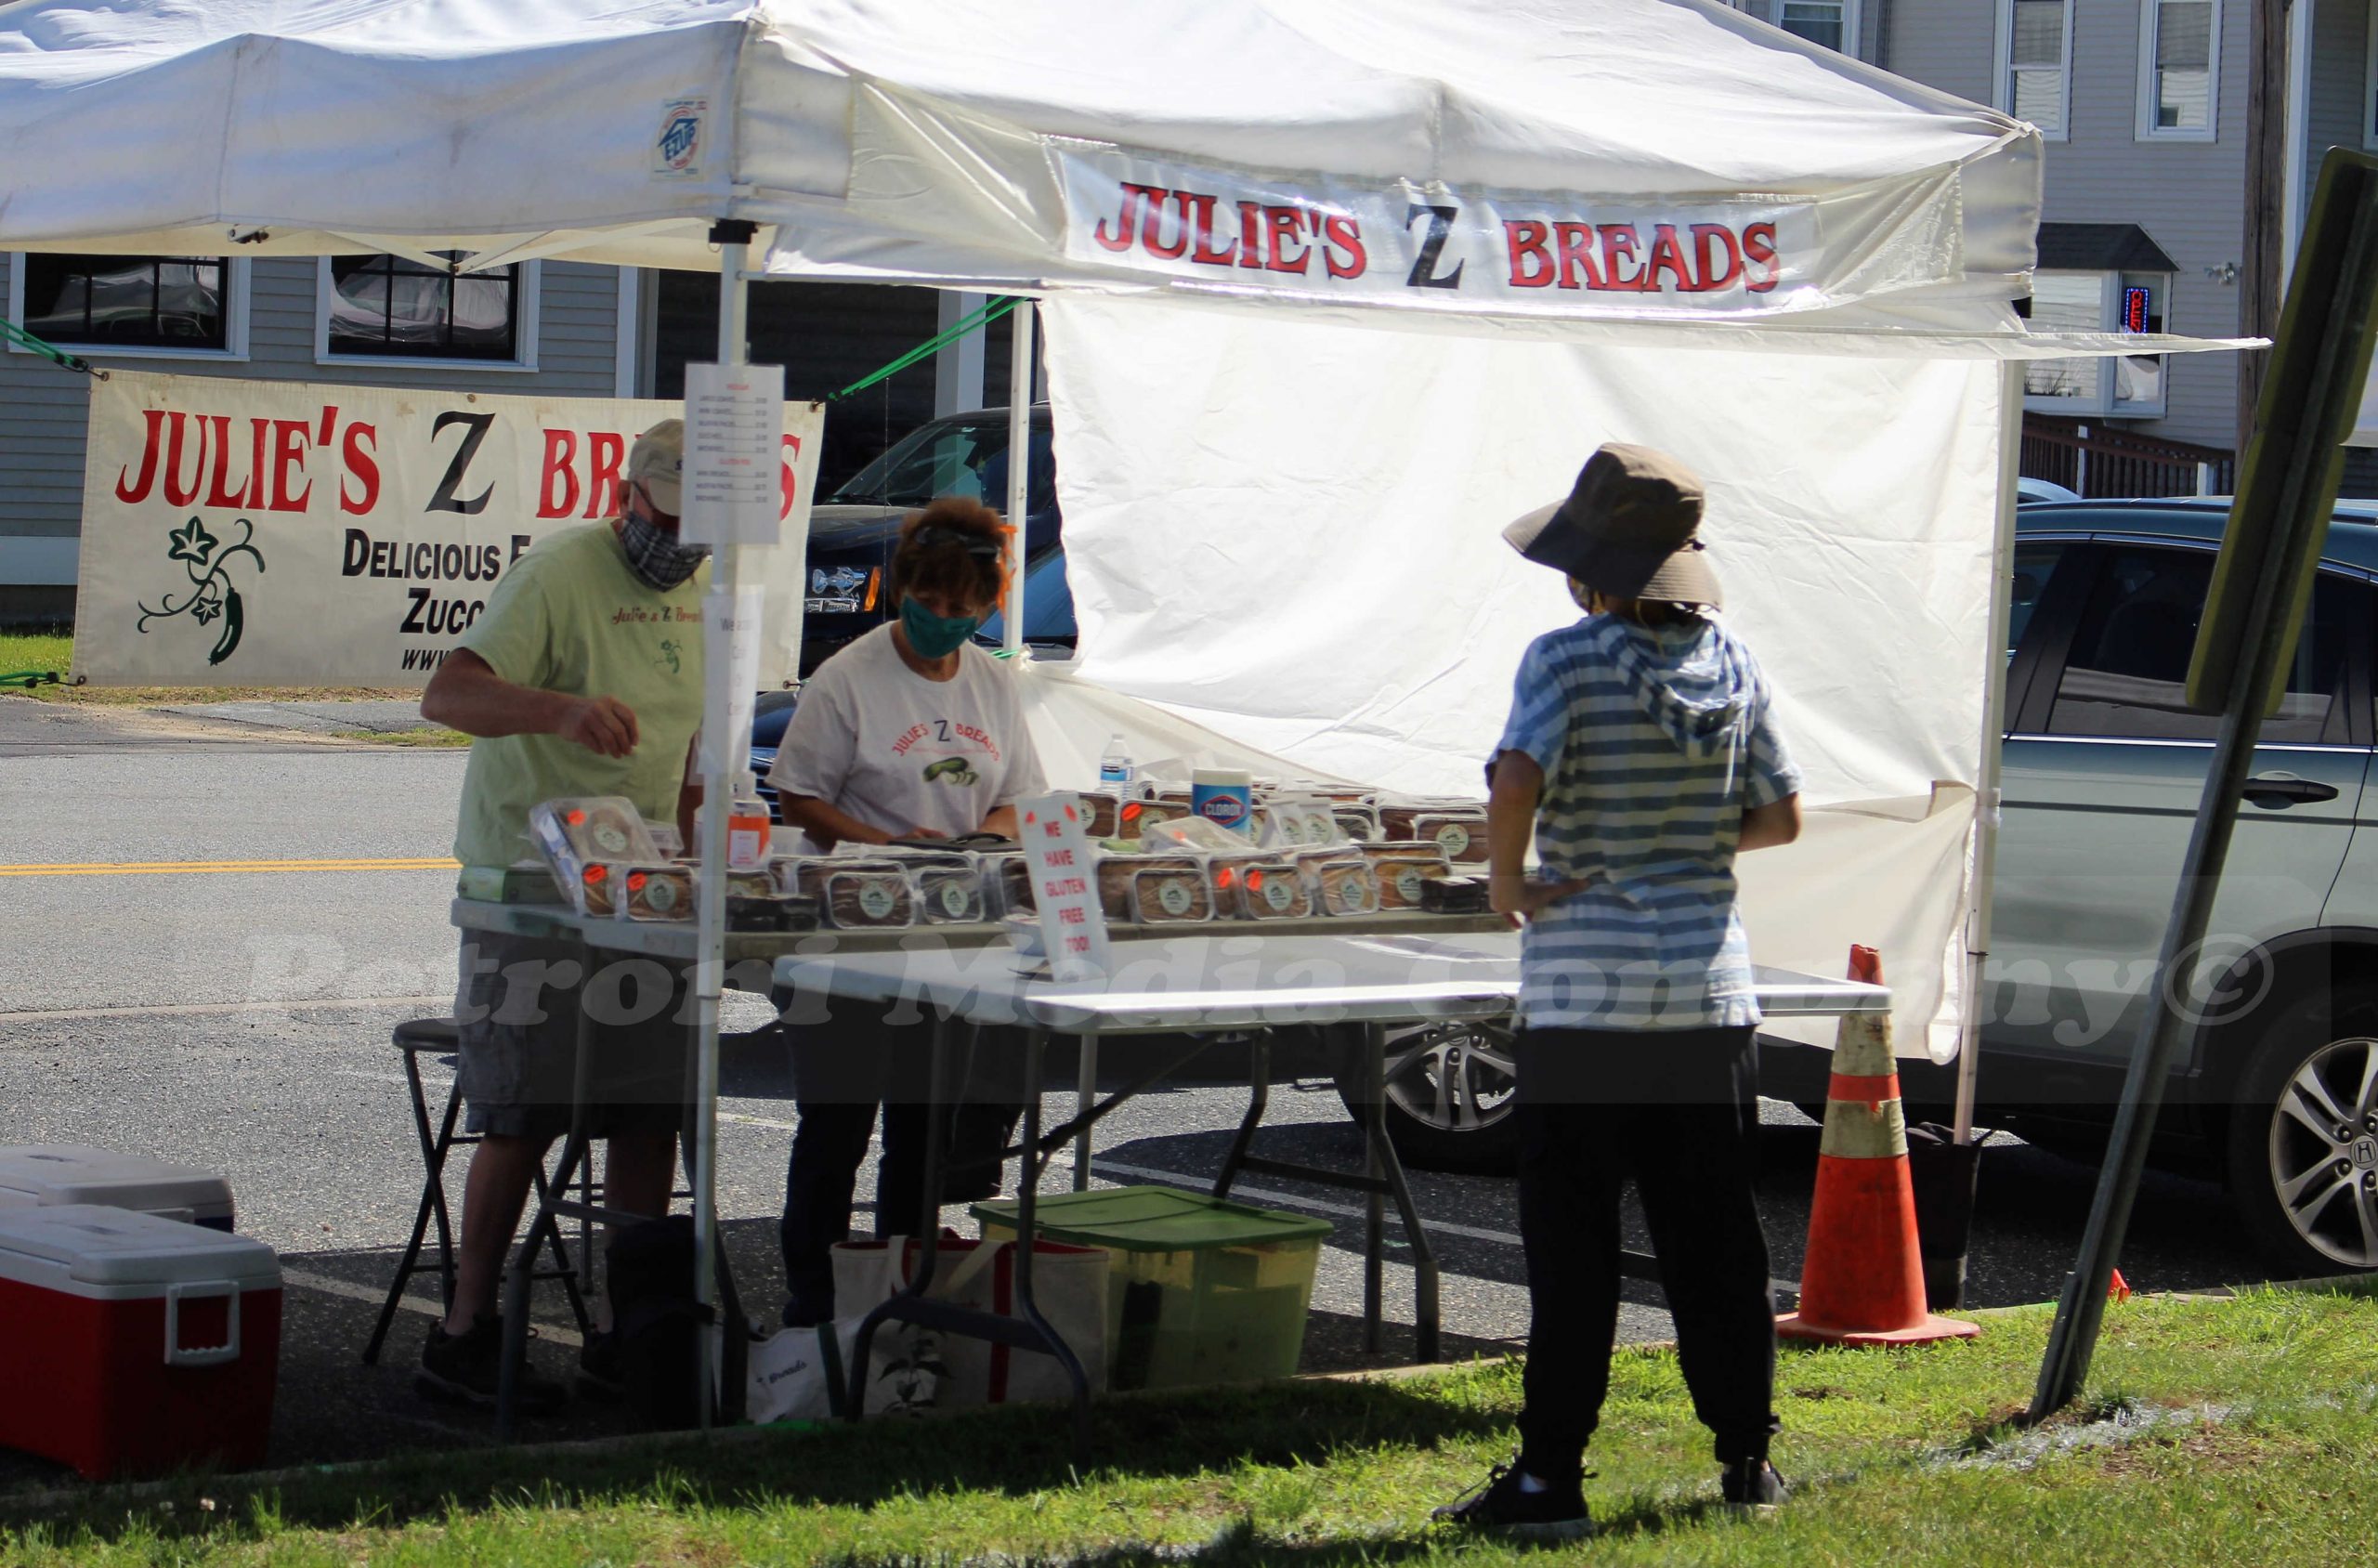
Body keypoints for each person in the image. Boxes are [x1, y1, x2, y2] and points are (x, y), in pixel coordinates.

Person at [1434, 444, 1803, 1538]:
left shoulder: (1561, 660)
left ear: (1586, 572)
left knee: (1573, 1244)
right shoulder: (1733, 665)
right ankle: (1746, 1459)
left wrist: (1509, 881)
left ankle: (1550, 1477)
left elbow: (1515, 776)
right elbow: (1782, 817)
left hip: (1585, 1002)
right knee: (1716, 1238)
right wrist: (1686, 841)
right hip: (1705, 997)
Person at [414, 419, 710, 1408]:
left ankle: (627, 1326)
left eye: (696, 532)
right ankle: (464, 1326)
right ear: (629, 498)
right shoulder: (557, 573)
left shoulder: (709, 591)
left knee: (648, 1109)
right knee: (522, 1110)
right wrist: (561, 709)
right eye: (665, 521)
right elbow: (447, 694)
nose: (678, 546)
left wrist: (700, 834)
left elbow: (699, 739)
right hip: (530, 887)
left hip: (647, 886)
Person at [766, 496, 1047, 1326]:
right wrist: (889, 846)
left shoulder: (995, 684)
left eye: (964, 610)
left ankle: (904, 1294)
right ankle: (815, 1302)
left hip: (953, 932)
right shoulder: (849, 676)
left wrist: (982, 846)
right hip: (850, 931)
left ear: (989, 606)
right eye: (931, 604)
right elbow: (800, 798)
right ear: (904, 589)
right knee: (835, 1130)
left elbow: (1016, 800)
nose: (945, 621)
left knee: (924, 1136)